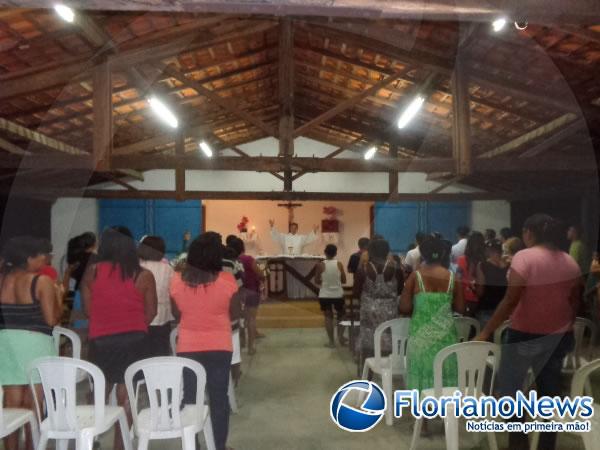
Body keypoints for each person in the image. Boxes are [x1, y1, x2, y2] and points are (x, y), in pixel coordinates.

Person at [475, 214, 582, 450]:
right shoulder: (569, 262)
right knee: (549, 394)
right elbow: (575, 301)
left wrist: (486, 331)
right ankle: (546, 445)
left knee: (512, 393)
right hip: (558, 336)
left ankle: (519, 444)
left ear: (529, 233)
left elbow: (511, 299)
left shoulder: (524, 257)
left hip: (523, 334)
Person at [81, 227, 157, 450]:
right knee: (127, 396)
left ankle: (93, 437)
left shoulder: (91, 272)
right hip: (133, 341)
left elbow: (87, 311)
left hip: (101, 339)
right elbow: (151, 312)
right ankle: (120, 444)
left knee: (100, 392)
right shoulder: (143, 275)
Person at [170, 232, 241, 450]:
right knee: (219, 398)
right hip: (220, 346)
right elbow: (236, 313)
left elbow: (176, 314)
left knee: (191, 397)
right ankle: (218, 446)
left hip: (189, 346)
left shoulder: (176, 281)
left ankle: (193, 444)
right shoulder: (227, 281)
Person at [0, 237, 63, 450]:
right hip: (34, 343)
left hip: (6, 343)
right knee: (33, 404)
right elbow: (52, 319)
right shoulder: (41, 281)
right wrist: (59, 296)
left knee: (11, 405)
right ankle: (32, 446)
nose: (45, 259)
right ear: (29, 258)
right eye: (42, 255)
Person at [401, 235, 464, 432]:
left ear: (423, 254)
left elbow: (404, 307)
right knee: (445, 376)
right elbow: (461, 308)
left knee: (421, 376)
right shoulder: (453, 278)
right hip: (446, 338)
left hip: (421, 337)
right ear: (444, 253)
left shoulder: (415, 276)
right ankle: (447, 421)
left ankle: (423, 424)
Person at [353, 238, 403, 366]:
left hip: (368, 310)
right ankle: (388, 369)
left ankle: (367, 373)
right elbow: (400, 290)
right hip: (389, 310)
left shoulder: (363, 269)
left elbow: (356, 292)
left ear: (370, 252)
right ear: (387, 251)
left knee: (368, 340)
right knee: (388, 337)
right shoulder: (396, 268)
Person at [138, 235, 174, 357]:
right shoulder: (168, 268)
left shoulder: (137, 267)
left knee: (141, 355)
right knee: (160, 355)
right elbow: (173, 292)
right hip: (162, 319)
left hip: (141, 318)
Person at [230, 236, 265, 355]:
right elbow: (260, 273)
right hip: (251, 291)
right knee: (251, 319)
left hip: (237, 293)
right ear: (242, 247)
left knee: (239, 318)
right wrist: (263, 276)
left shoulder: (231, 261)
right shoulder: (248, 259)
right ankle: (251, 347)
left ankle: (242, 342)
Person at [315, 244, 347, 347]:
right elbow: (344, 280)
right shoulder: (339, 264)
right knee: (341, 315)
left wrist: (324, 281)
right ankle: (341, 337)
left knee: (328, 317)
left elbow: (316, 280)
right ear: (335, 253)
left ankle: (331, 342)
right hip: (338, 294)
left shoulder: (320, 265)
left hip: (325, 294)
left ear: (325, 252)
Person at [475, 240, 508, 329]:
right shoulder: (509, 266)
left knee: (486, 341)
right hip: (504, 310)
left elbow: (480, 292)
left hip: (486, 309)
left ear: (488, 250)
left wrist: (474, 286)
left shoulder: (482, 265)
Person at [456, 231, 486, 316]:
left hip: (467, 298)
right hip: (484, 300)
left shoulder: (462, 260)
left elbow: (458, 279)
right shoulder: (486, 261)